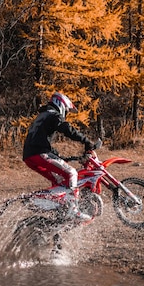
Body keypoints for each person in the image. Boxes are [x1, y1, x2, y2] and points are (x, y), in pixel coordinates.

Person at [23, 92, 96, 221]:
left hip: (30, 156)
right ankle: (73, 209)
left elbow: (41, 140)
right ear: (61, 104)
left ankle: (59, 210)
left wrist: (58, 157)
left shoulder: (43, 116)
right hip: (39, 154)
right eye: (67, 111)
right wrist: (86, 141)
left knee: (60, 181)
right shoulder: (53, 114)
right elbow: (67, 128)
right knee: (71, 173)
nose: (66, 115)